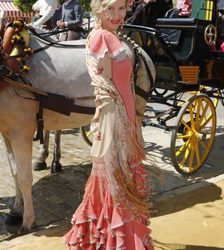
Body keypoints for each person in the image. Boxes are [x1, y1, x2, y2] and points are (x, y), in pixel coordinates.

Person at [64, 0, 154, 248]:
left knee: (114, 184)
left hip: (119, 118)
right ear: (98, 10)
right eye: (110, 9)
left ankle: (107, 240)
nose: (117, 15)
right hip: (115, 121)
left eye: (121, 9)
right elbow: (107, 91)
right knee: (118, 184)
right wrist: (125, 128)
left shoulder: (103, 34)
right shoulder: (103, 38)